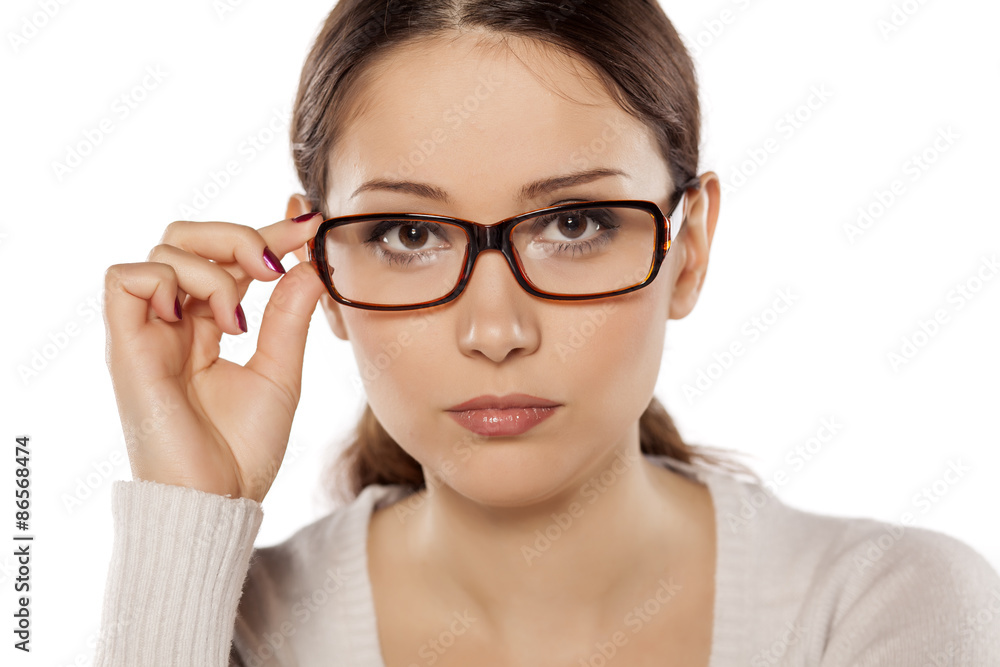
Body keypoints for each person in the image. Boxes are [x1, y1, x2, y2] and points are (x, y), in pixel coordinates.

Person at [93, 1, 1000, 665]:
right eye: (408, 234)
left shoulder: (887, 609)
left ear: (689, 249)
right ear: (321, 266)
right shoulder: (227, 632)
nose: (495, 329)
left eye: (573, 224)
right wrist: (184, 511)